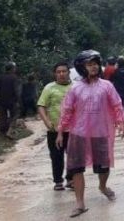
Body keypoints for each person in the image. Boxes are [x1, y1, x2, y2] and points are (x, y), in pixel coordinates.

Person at [57, 50, 124, 218]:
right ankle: (80, 204)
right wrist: (60, 131)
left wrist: (121, 123)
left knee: (104, 166)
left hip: (100, 132)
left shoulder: (106, 86)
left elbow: (117, 105)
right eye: (89, 64)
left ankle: (102, 186)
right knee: (76, 168)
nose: (93, 66)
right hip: (78, 133)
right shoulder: (75, 88)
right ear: (82, 67)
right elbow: (67, 111)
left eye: (95, 63)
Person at [37, 62, 73, 191]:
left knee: (73, 155)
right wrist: (46, 122)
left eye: (64, 71)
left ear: (69, 72)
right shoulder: (49, 88)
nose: (62, 74)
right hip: (54, 130)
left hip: (73, 129)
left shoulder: (75, 87)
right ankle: (58, 181)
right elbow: (41, 105)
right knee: (56, 156)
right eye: (59, 72)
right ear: (55, 74)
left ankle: (71, 179)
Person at [0, 62, 21, 139]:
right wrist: (18, 101)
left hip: (1, 100)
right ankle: (10, 131)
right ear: (12, 69)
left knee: (2, 116)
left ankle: (2, 132)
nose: (15, 69)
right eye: (14, 68)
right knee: (15, 115)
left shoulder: (0, 77)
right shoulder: (14, 78)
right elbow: (17, 91)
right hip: (12, 101)